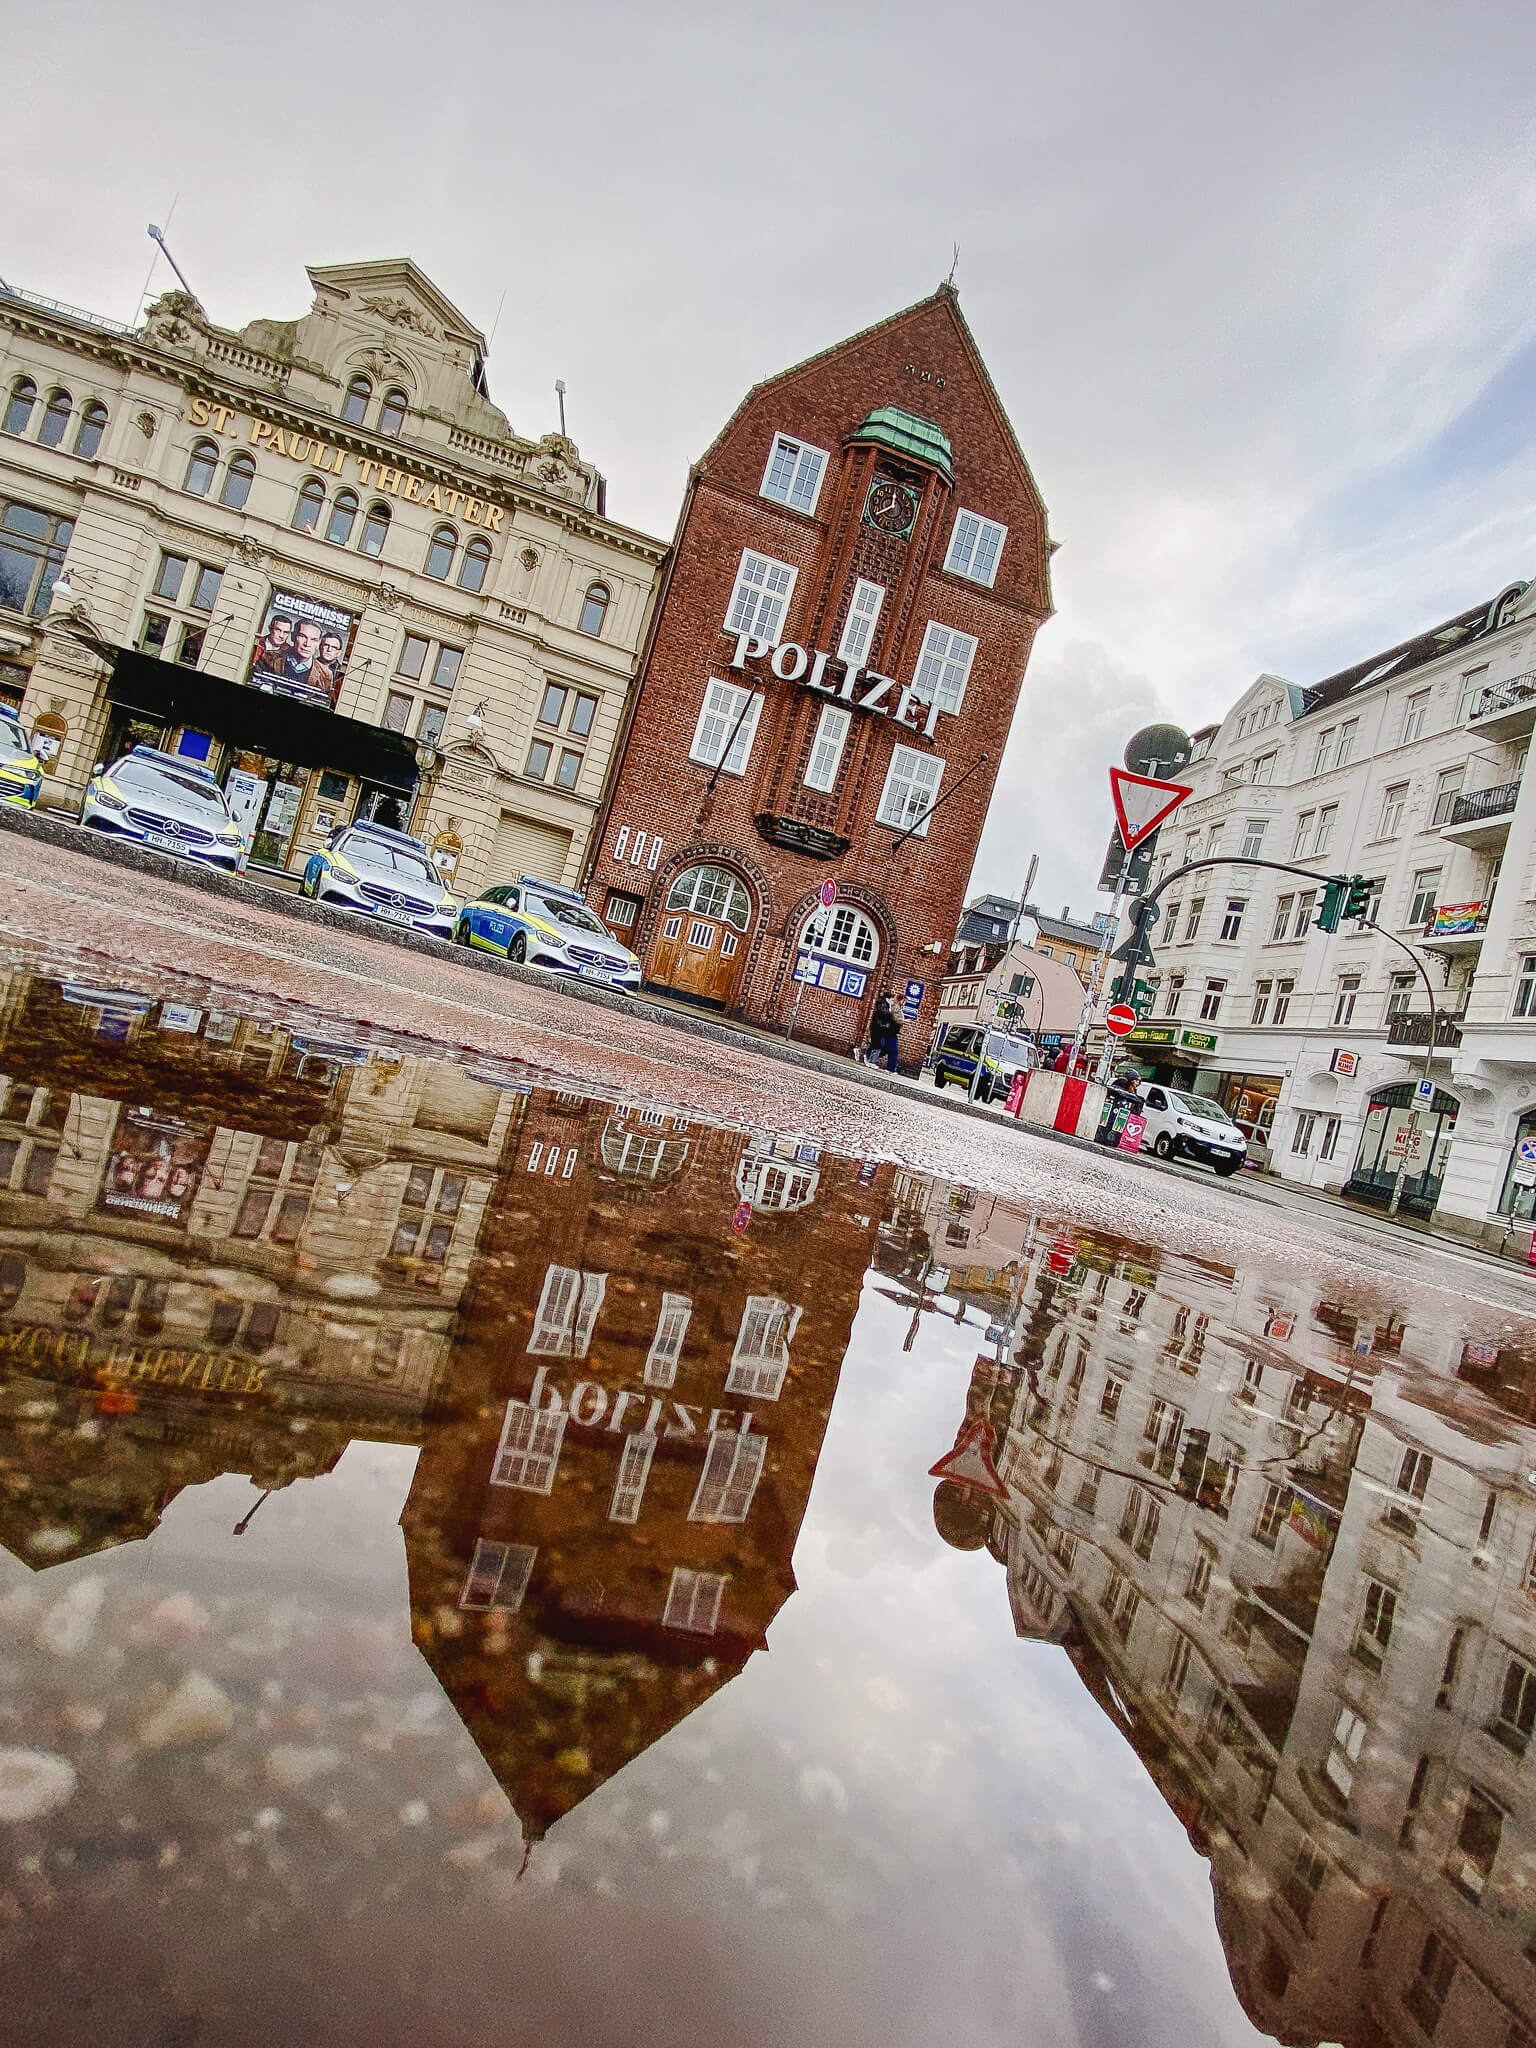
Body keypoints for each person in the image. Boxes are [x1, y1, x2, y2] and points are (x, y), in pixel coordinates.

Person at [871, 989, 901, 1072]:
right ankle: (870, 1059)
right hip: (882, 1029)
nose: (893, 1001)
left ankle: (867, 1056)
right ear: (888, 998)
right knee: (879, 1046)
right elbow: (885, 1015)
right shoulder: (884, 1004)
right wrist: (892, 1015)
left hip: (886, 1029)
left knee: (884, 1048)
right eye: (892, 999)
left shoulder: (888, 1005)